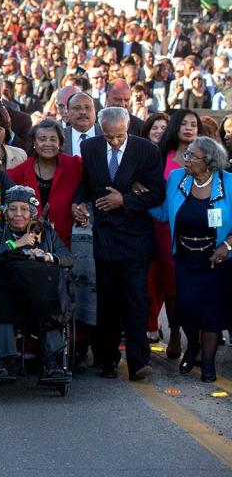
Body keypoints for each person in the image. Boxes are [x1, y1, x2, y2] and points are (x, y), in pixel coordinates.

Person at [73, 106, 165, 381]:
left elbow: (157, 194)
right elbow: (86, 186)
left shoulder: (146, 150)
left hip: (135, 236)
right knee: (108, 300)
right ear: (101, 130)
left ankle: (138, 361)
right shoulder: (90, 148)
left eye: (119, 136)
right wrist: (78, 205)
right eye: (109, 137)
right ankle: (106, 359)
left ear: (128, 129)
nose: (114, 141)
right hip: (105, 236)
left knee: (136, 298)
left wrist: (125, 200)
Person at [0, 185, 74, 384]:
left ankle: (52, 363)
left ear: (32, 212)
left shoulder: (46, 234)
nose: (18, 214)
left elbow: (67, 258)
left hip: (38, 296)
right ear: (5, 212)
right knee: (2, 299)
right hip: (4, 295)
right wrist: (15, 245)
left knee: (48, 298)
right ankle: (1, 362)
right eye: (13, 208)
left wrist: (48, 256)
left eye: (24, 209)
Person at [150, 137, 232, 383]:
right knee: (186, 308)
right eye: (186, 155)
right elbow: (164, 213)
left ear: (208, 161)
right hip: (186, 258)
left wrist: (227, 245)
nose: (186, 160)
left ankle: (208, 365)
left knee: (210, 313)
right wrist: (139, 200)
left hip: (217, 260)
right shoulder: (177, 178)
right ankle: (192, 348)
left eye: (192, 156)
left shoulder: (228, 183)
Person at [148, 109, 202, 356]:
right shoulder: (162, 156)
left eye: (194, 124)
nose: (189, 128)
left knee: (197, 284)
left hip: (200, 229)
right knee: (171, 285)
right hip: (166, 230)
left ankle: (197, 338)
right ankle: (175, 334)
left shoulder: (207, 157)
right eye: (185, 124)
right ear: (176, 127)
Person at [8, 119, 83, 248]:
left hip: (66, 242)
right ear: (34, 143)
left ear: (60, 143)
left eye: (53, 139)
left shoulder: (75, 165)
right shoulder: (19, 172)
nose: (48, 144)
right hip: (30, 244)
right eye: (42, 139)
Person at [63, 93, 102, 157]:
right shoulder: (60, 137)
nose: (83, 112)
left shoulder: (106, 135)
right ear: (67, 112)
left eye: (88, 107)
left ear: (95, 111)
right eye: (77, 108)